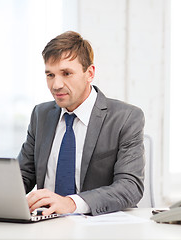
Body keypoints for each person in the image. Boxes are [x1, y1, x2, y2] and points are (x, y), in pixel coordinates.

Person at [17, 31, 145, 216]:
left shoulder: (126, 118)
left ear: (90, 73)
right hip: (45, 226)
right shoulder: (41, 114)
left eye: (66, 73)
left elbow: (130, 187)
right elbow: (23, 175)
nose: (56, 85)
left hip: (97, 227)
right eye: (50, 75)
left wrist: (71, 203)